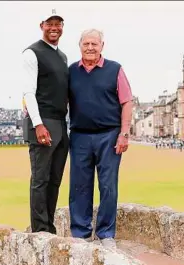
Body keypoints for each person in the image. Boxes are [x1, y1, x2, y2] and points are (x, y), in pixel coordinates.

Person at [67, 29, 133, 249]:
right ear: (80, 46)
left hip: (109, 135)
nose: (90, 48)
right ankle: (80, 232)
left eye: (94, 44)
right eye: (86, 43)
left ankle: (106, 234)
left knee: (108, 186)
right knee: (79, 186)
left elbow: (126, 102)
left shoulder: (115, 69)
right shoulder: (71, 72)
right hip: (79, 136)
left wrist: (124, 133)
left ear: (102, 46)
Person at [21, 9, 69, 234]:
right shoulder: (32, 53)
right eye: (50, 23)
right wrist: (38, 124)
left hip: (60, 123)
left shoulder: (62, 57)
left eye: (58, 23)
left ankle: (49, 227)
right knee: (40, 179)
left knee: (54, 180)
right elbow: (29, 92)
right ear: (42, 25)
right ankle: (40, 230)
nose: (54, 28)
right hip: (43, 122)